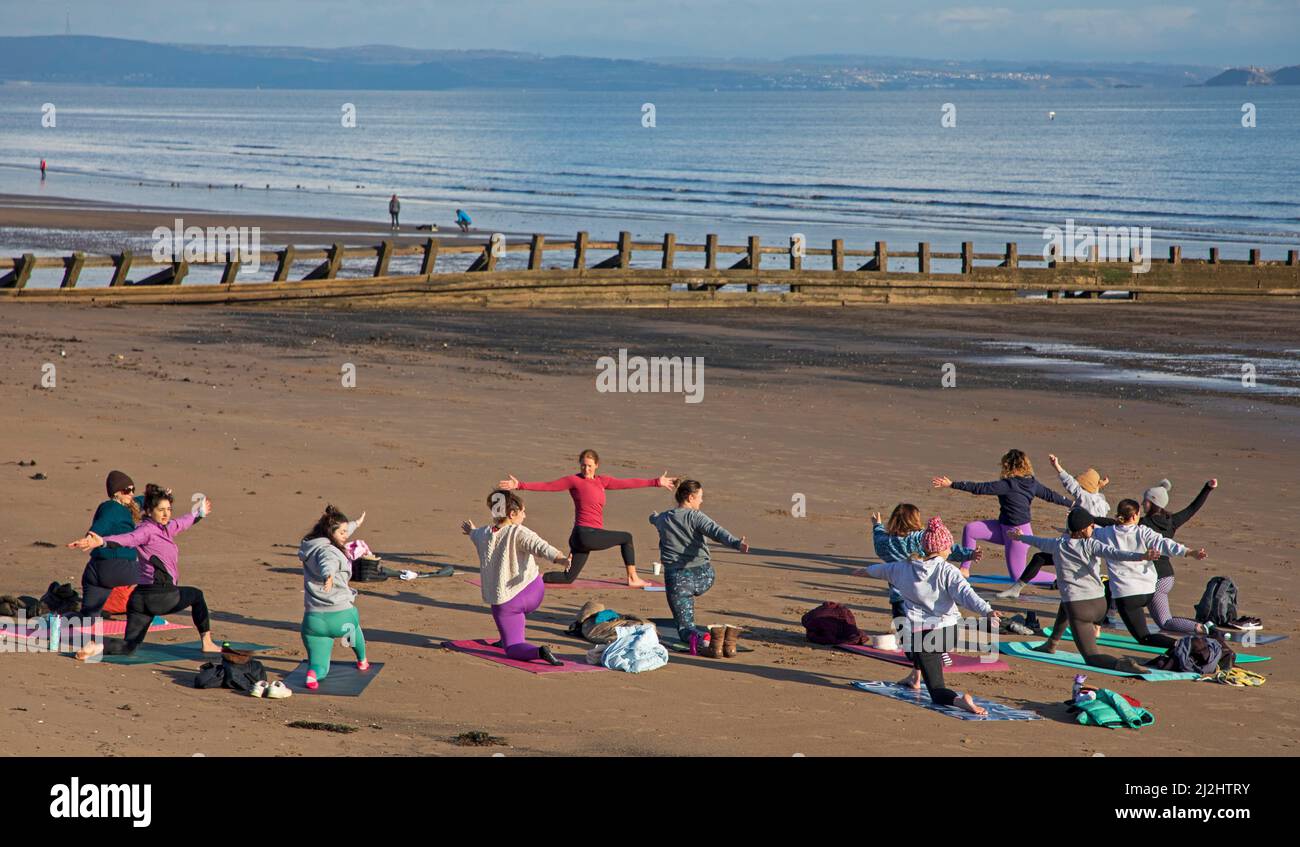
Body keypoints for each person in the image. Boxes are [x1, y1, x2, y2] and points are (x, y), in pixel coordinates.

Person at [861, 517, 1001, 715]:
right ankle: (915, 677)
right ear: (942, 548)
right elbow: (967, 595)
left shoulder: (903, 567)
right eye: (949, 547)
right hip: (950, 632)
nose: (951, 551)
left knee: (936, 690)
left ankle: (960, 702)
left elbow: (878, 570)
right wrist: (987, 610)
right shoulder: (949, 571)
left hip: (923, 636)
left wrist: (862, 571)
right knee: (922, 647)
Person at [66, 484, 219, 660]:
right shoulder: (146, 530)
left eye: (168, 509)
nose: (166, 514)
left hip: (139, 600)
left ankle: (95, 647)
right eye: (161, 510)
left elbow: (182, 522)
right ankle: (207, 643)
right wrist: (101, 541)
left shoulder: (166, 528)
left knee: (128, 647)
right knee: (197, 596)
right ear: (149, 511)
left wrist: (198, 513)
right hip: (160, 596)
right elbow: (128, 539)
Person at [1009, 509, 1160, 672]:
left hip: (1080, 609)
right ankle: (1051, 643)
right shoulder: (1092, 544)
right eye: (1091, 526)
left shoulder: (1057, 544)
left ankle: (1124, 665)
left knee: (1091, 657)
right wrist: (1142, 556)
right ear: (1083, 530)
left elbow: (1037, 541)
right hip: (1100, 605)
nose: (1093, 529)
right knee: (1065, 602)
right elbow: (1116, 553)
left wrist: (1019, 537)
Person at [498, 449, 675, 587]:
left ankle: (533, 578)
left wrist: (656, 482)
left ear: (596, 465)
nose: (586, 469)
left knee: (568, 578)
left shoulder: (602, 481)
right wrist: (519, 485)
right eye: (583, 465)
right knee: (626, 538)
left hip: (581, 538)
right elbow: (549, 486)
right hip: (585, 534)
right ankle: (633, 577)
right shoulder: (574, 481)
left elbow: (627, 483)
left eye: (589, 465)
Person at [463, 490, 571, 665]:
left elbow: (474, 534)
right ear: (512, 514)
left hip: (507, 602)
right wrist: (561, 559)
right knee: (514, 619)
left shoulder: (482, 534)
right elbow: (541, 547)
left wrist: (470, 530)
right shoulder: (519, 532)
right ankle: (506, 633)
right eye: (523, 512)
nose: (525, 515)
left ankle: (538, 651)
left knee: (513, 647)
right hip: (534, 591)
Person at [932, 448, 1073, 581]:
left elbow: (979, 488)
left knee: (1018, 576)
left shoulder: (1009, 485)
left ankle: (1060, 579)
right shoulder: (1031, 483)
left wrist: (951, 484)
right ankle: (964, 569)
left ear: (1007, 465)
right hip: (1002, 528)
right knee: (971, 529)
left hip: (1018, 534)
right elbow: (1051, 495)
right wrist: (1071, 504)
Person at [649, 479, 749, 657]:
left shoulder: (664, 518)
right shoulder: (696, 516)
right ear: (690, 497)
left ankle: (709, 639)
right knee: (692, 587)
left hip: (678, 581)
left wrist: (654, 516)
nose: (701, 501)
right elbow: (716, 531)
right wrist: (736, 543)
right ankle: (727, 641)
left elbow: (654, 518)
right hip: (705, 576)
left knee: (685, 629)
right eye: (700, 498)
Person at [1093, 499, 1208, 649]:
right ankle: (1096, 626)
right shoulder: (1143, 531)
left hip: (1127, 596)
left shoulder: (1104, 532)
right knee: (1164, 621)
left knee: (1144, 638)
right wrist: (1190, 552)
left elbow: (1085, 532)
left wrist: (1071, 528)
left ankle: (1184, 646)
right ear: (1135, 516)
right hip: (1149, 592)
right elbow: (1166, 544)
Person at [994, 452, 1111, 599]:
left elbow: (1071, 485)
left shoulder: (1085, 498)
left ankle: (1017, 588)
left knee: (1041, 559)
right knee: (1048, 561)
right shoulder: (1099, 502)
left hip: (1074, 548)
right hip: (1085, 548)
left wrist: (1057, 467)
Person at [299, 505, 370, 690]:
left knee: (319, 665)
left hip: (314, 621)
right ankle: (362, 660)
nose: (346, 534)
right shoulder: (328, 551)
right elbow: (327, 562)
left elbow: (340, 532)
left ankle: (313, 676)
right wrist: (328, 576)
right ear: (331, 532)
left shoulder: (310, 545)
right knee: (353, 630)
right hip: (341, 617)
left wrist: (356, 524)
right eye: (343, 531)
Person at [1141, 477, 1217, 635]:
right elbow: (1192, 509)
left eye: (1145, 501)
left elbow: (1114, 524)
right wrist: (1207, 488)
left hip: (1157, 579)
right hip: (1167, 576)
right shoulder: (1171, 522)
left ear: (1154, 503)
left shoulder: (1142, 525)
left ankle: (1199, 628)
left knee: (1165, 622)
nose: (1142, 504)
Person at [78, 470, 143, 618]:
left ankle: (52, 622)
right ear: (116, 493)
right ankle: (147, 615)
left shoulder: (123, 507)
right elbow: (101, 525)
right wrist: (89, 538)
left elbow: (140, 501)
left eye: (133, 490)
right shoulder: (112, 509)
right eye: (127, 490)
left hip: (94, 571)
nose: (131, 493)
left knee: (87, 618)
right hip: (116, 567)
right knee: (156, 574)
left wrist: (159, 494)